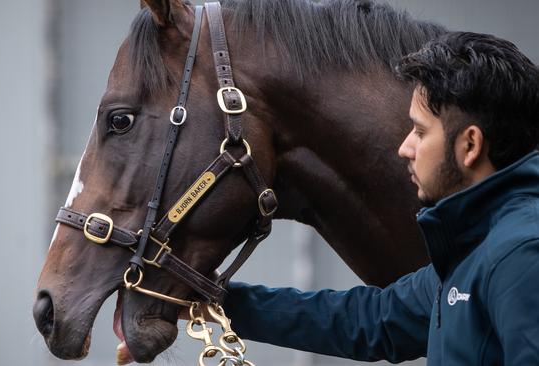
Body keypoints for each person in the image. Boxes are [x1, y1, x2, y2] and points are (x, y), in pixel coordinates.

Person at [222, 32, 539, 365]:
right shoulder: (473, 248)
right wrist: (216, 300)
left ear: (470, 146)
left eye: (419, 131)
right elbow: (370, 320)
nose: (405, 148)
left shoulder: (520, 253)